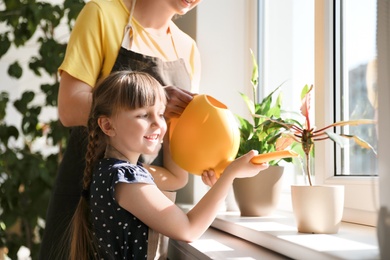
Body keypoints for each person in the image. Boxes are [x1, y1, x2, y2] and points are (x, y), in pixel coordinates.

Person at [39, 0, 217, 259]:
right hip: (85, 197)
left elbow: (176, 143)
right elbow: (68, 107)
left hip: (143, 206)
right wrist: (156, 100)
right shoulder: (101, 15)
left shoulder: (188, 49)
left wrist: (211, 167)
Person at [68, 70, 268, 260]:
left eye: (161, 114)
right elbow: (188, 229)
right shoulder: (126, 178)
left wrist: (175, 121)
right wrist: (230, 174)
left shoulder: (113, 170)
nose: (157, 123)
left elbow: (177, 178)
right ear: (108, 125)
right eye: (144, 115)